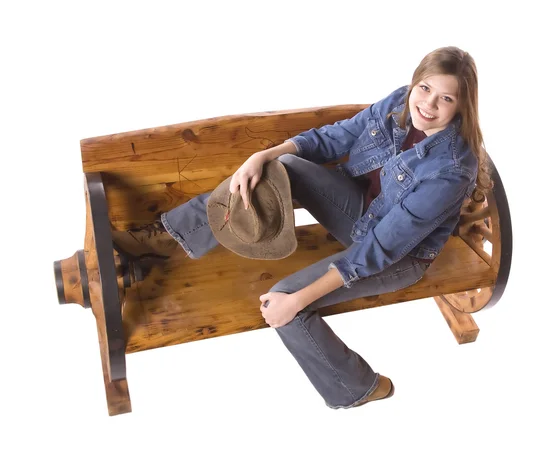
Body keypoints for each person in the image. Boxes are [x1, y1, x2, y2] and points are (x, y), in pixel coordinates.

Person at [123, 45, 492, 409]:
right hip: (361, 212)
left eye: (445, 98)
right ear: (415, 83)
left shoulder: (452, 169)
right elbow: (337, 137)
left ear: (462, 106)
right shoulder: (400, 101)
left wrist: (297, 299)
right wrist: (263, 156)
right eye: (425, 88)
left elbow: (379, 250)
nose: (428, 105)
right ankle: (167, 238)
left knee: (282, 304)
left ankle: (355, 387)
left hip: (399, 257)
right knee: (285, 165)